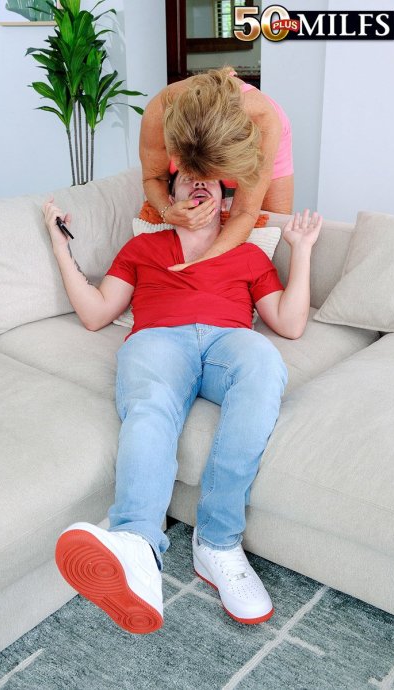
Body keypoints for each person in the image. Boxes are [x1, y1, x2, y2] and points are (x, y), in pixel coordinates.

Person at [43, 174, 322, 635]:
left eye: (208, 180)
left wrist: (303, 249)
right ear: (168, 197)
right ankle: (137, 544)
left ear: (224, 200)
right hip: (159, 340)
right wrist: (60, 247)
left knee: (264, 364)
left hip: (230, 341)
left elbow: (290, 325)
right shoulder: (143, 248)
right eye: (187, 179)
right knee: (150, 404)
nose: (198, 185)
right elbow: (95, 314)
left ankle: (217, 543)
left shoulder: (247, 253)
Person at [139, 67, 294, 270]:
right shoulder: (159, 111)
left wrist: (202, 264)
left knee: (272, 227)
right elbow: (153, 177)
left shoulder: (265, 120)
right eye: (190, 176)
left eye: (213, 176)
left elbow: (245, 211)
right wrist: (166, 211)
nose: (201, 183)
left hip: (261, 134)